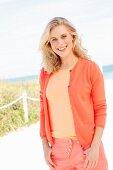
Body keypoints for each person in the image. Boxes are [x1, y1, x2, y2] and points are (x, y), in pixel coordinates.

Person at [39, 17, 108, 170]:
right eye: (53, 39)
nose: (60, 43)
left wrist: (95, 147)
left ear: (73, 36)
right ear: (49, 44)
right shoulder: (45, 73)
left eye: (64, 36)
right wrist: (45, 146)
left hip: (87, 150)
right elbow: (43, 111)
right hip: (57, 153)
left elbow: (100, 109)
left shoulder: (90, 68)